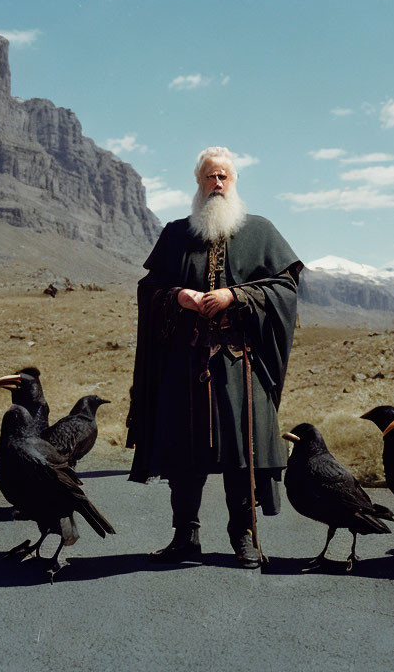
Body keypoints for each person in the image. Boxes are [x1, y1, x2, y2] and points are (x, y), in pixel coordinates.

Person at [126, 146, 302, 568]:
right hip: (184, 367)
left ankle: (242, 535)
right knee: (183, 455)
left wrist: (235, 295)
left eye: (224, 176)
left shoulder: (261, 231)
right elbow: (148, 290)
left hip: (239, 365)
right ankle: (185, 536)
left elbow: (285, 290)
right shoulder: (175, 234)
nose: (217, 184)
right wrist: (178, 297)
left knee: (243, 453)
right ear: (198, 183)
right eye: (209, 177)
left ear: (235, 182)